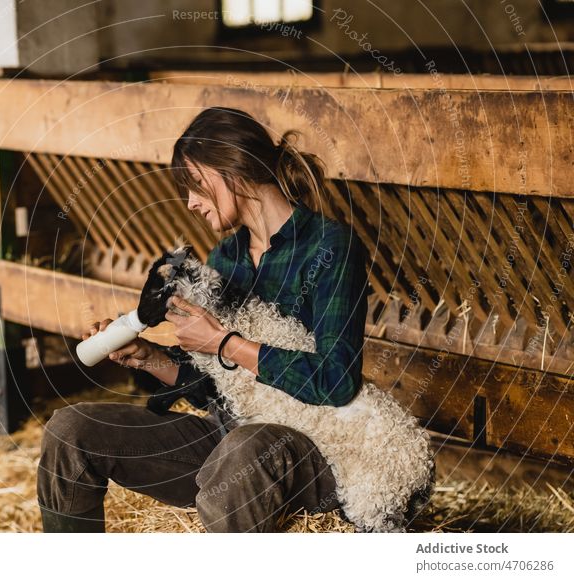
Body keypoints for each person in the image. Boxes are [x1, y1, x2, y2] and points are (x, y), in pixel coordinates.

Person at [36, 106, 371, 533]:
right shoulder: (226, 258)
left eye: (194, 185)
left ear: (231, 168)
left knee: (242, 451)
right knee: (71, 431)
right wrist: (148, 358)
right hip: (228, 437)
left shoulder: (329, 248)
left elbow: (335, 381)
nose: (191, 203)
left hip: (305, 444)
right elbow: (217, 387)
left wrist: (225, 343)